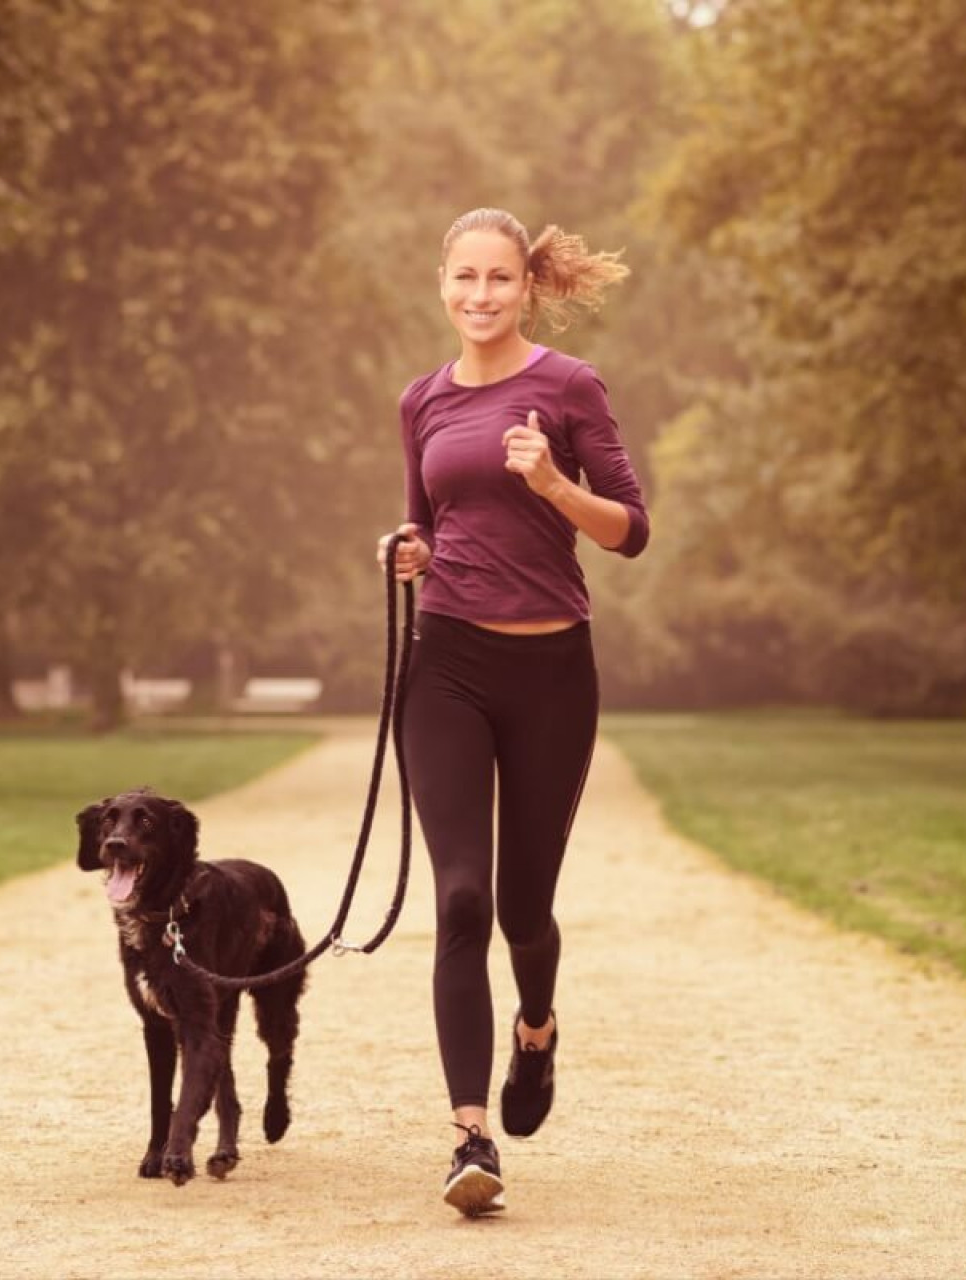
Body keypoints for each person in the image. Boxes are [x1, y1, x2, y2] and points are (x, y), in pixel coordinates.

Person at [376, 207, 650, 1217]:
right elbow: (427, 517)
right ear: (441, 282)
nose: (480, 296)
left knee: (525, 908)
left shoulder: (568, 388)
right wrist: (407, 553)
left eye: (498, 279)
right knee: (461, 900)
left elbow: (632, 529)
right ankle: (468, 1134)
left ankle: (536, 1028)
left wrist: (552, 482)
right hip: (445, 665)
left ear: (525, 286)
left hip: (551, 675)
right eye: (464, 279)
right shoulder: (422, 400)